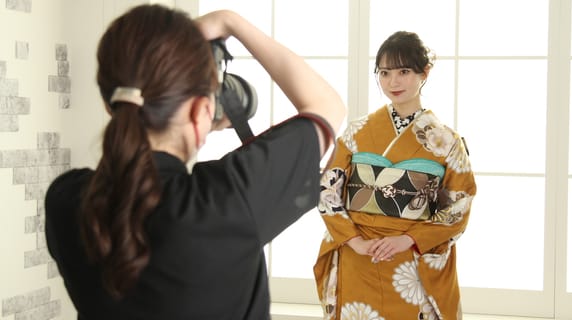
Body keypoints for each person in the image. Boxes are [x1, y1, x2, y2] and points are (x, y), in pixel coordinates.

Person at [44, 4, 345, 320]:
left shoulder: (66, 200)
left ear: (111, 105)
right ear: (201, 110)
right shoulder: (229, 199)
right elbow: (327, 106)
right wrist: (231, 22)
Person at [313, 31, 476, 319]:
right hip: (359, 254)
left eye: (404, 71)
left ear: (424, 73)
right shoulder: (357, 131)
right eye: (385, 73)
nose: (394, 82)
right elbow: (328, 191)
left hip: (411, 258)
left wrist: (409, 239)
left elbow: (458, 205)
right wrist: (356, 242)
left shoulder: (447, 141)